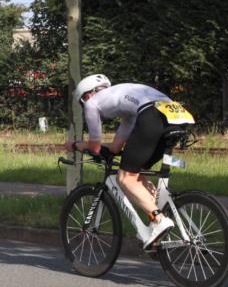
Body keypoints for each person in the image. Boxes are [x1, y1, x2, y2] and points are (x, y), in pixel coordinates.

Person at [64, 74, 193, 250]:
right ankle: (160, 217)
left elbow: (94, 147)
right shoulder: (129, 109)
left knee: (125, 178)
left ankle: (159, 219)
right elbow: (116, 147)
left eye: (82, 102)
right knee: (135, 171)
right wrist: (105, 149)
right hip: (176, 115)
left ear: (86, 96)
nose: (85, 106)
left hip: (152, 116)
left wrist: (75, 145)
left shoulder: (92, 104)